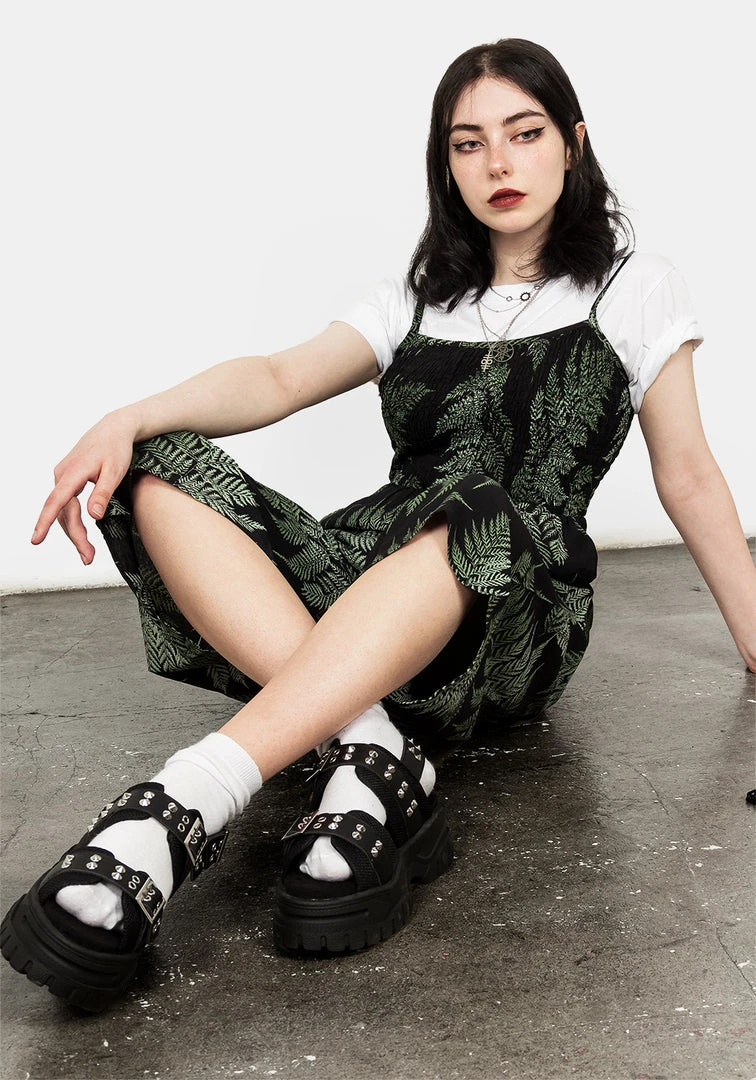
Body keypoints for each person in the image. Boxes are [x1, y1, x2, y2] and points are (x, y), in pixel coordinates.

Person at [2, 37, 754, 1013]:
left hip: (514, 607)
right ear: (447, 163)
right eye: (469, 143)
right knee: (159, 460)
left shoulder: (633, 285)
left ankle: (196, 793)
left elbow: (687, 474)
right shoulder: (415, 295)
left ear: (573, 144)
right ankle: (372, 743)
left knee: (478, 502)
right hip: (380, 584)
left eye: (524, 134)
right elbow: (276, 377)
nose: (498, 162)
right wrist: (128, 417)